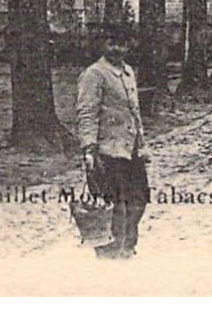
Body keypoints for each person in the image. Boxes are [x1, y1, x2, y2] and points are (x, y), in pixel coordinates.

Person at [76, 26, 148, 259]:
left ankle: (128, 245)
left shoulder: (127, 72)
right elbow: (87, 112)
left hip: (130, 150)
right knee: (114, 205)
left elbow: (134, 113)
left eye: (122, 43)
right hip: (107, 150)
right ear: (102, 44)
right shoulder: (94, 74)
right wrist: (89, 148)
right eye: (111, 43)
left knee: (139, 199)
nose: (117, 48)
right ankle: (110, 252)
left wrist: (142, 143)